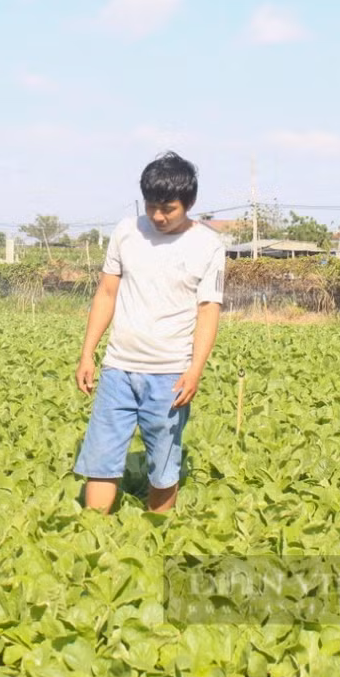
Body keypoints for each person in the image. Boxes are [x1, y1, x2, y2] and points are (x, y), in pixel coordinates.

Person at [73, 151, 225, 513]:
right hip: (118, 368)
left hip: (170, 374)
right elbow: (106, 293)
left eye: (168, 209)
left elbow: (208, 311)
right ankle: (91, 533)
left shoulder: (208, 245)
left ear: (189, 203)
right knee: (102, 457)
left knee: (163, 463)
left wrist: (195, 370)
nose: (158, 216)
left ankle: (158, 534)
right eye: (152, 206)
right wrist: (87, 353)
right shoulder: (127, 232)